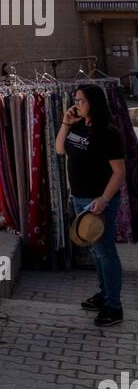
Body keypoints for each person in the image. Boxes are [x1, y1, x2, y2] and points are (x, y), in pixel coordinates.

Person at [56, 83, 126, 327]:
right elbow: (59, 149)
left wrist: (104, 199)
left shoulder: (107, 132)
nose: (77, 104)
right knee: (95, 251)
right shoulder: (78, 125)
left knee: (105, 252)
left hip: (98, 201)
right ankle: (103, 295)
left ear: (94, 103)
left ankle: (114, 307)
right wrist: (66, 122)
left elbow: (119, 172)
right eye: (75, 100)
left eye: (82, 100)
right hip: (80, 197)